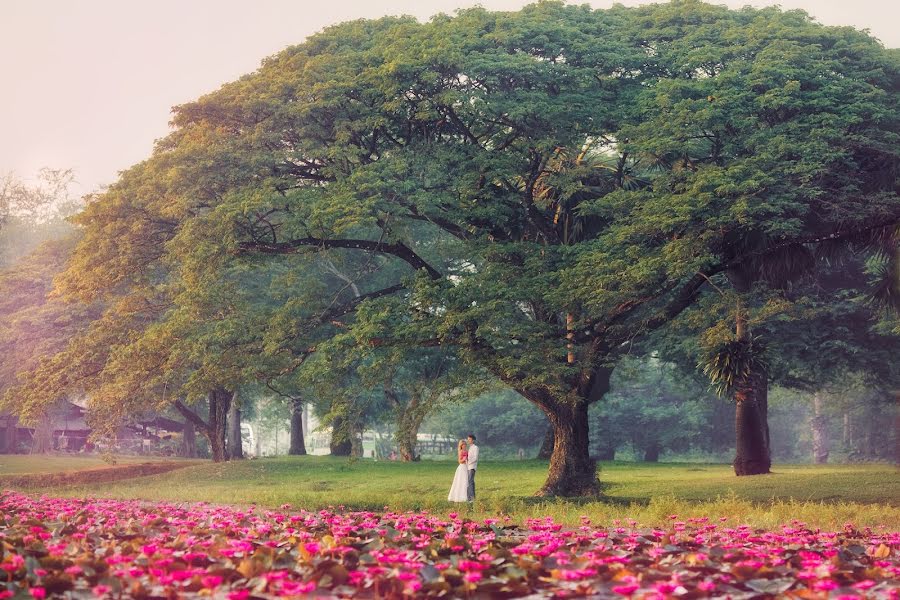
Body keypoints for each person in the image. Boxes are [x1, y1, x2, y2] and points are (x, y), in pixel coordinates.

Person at [466, 434, 478, 502]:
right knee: (470, 481)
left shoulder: (475, 447)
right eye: (468, 439)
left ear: (473, 440)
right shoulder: (470, 448)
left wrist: (468, 462)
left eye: (469, 439)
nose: (468, 441)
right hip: (468, 466)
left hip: (472, 466)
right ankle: (469, 497)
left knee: (470, 481)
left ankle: (472, 498)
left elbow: (475, 458)